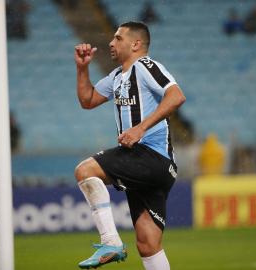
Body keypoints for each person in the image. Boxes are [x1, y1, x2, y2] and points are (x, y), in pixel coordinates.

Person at [74, 21, 186, 269]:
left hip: (151, 157)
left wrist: (140, 128)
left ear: (136, 44)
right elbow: (88, 100)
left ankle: (110, 242)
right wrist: (82, 69)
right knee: (148, 244)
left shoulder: (146, 66)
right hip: (151, 167)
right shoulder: (117, 76)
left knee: (85, 170)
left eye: (118, 38)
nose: (111, 43)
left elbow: (176, 95)